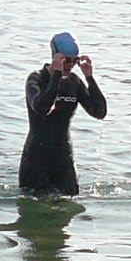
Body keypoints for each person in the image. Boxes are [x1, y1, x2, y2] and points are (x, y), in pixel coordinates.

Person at [19, 31, 107, 197]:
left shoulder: (74, 82)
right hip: (36, 160)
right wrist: (57, 75)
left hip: (63, 159)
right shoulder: (36, 79)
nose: (71, 65)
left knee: (68, 205)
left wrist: (89, 78)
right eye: (67, 60)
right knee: (37, 210)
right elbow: (41, 107)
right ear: (56, 56)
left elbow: (99, 111)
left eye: (75, 60)